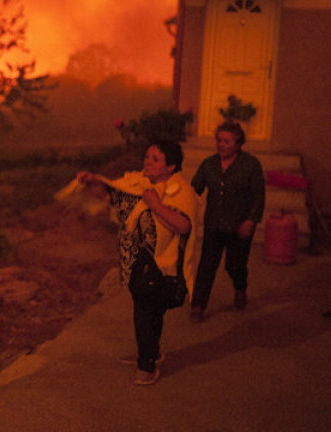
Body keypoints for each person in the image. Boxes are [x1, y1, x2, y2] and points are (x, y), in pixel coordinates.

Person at [76, 140, 197, 385]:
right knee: (148, 310)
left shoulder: (181, 191)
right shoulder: (138, 184)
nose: (147, 162)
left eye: (155, 158)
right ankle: (150, 352)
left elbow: (184, 225)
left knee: (146, 311)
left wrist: (156, 205)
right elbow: (111, 196)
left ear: (171, 166)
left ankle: (147, 364)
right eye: (147, 156)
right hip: (136, 259)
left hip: (161, 262)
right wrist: (93, 182)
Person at [189, 122, 265, 323]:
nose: (221, 145)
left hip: (239, 225)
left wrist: (250, 220)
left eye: (227, 141)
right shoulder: (208, 164)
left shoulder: (250, 165)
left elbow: (258, 196)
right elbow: (194, 190)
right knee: (207, 265)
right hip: (214, 223)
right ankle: (198, 305)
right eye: (219, 140)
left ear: (238, 144)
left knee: (235, 265)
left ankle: (240, 288)